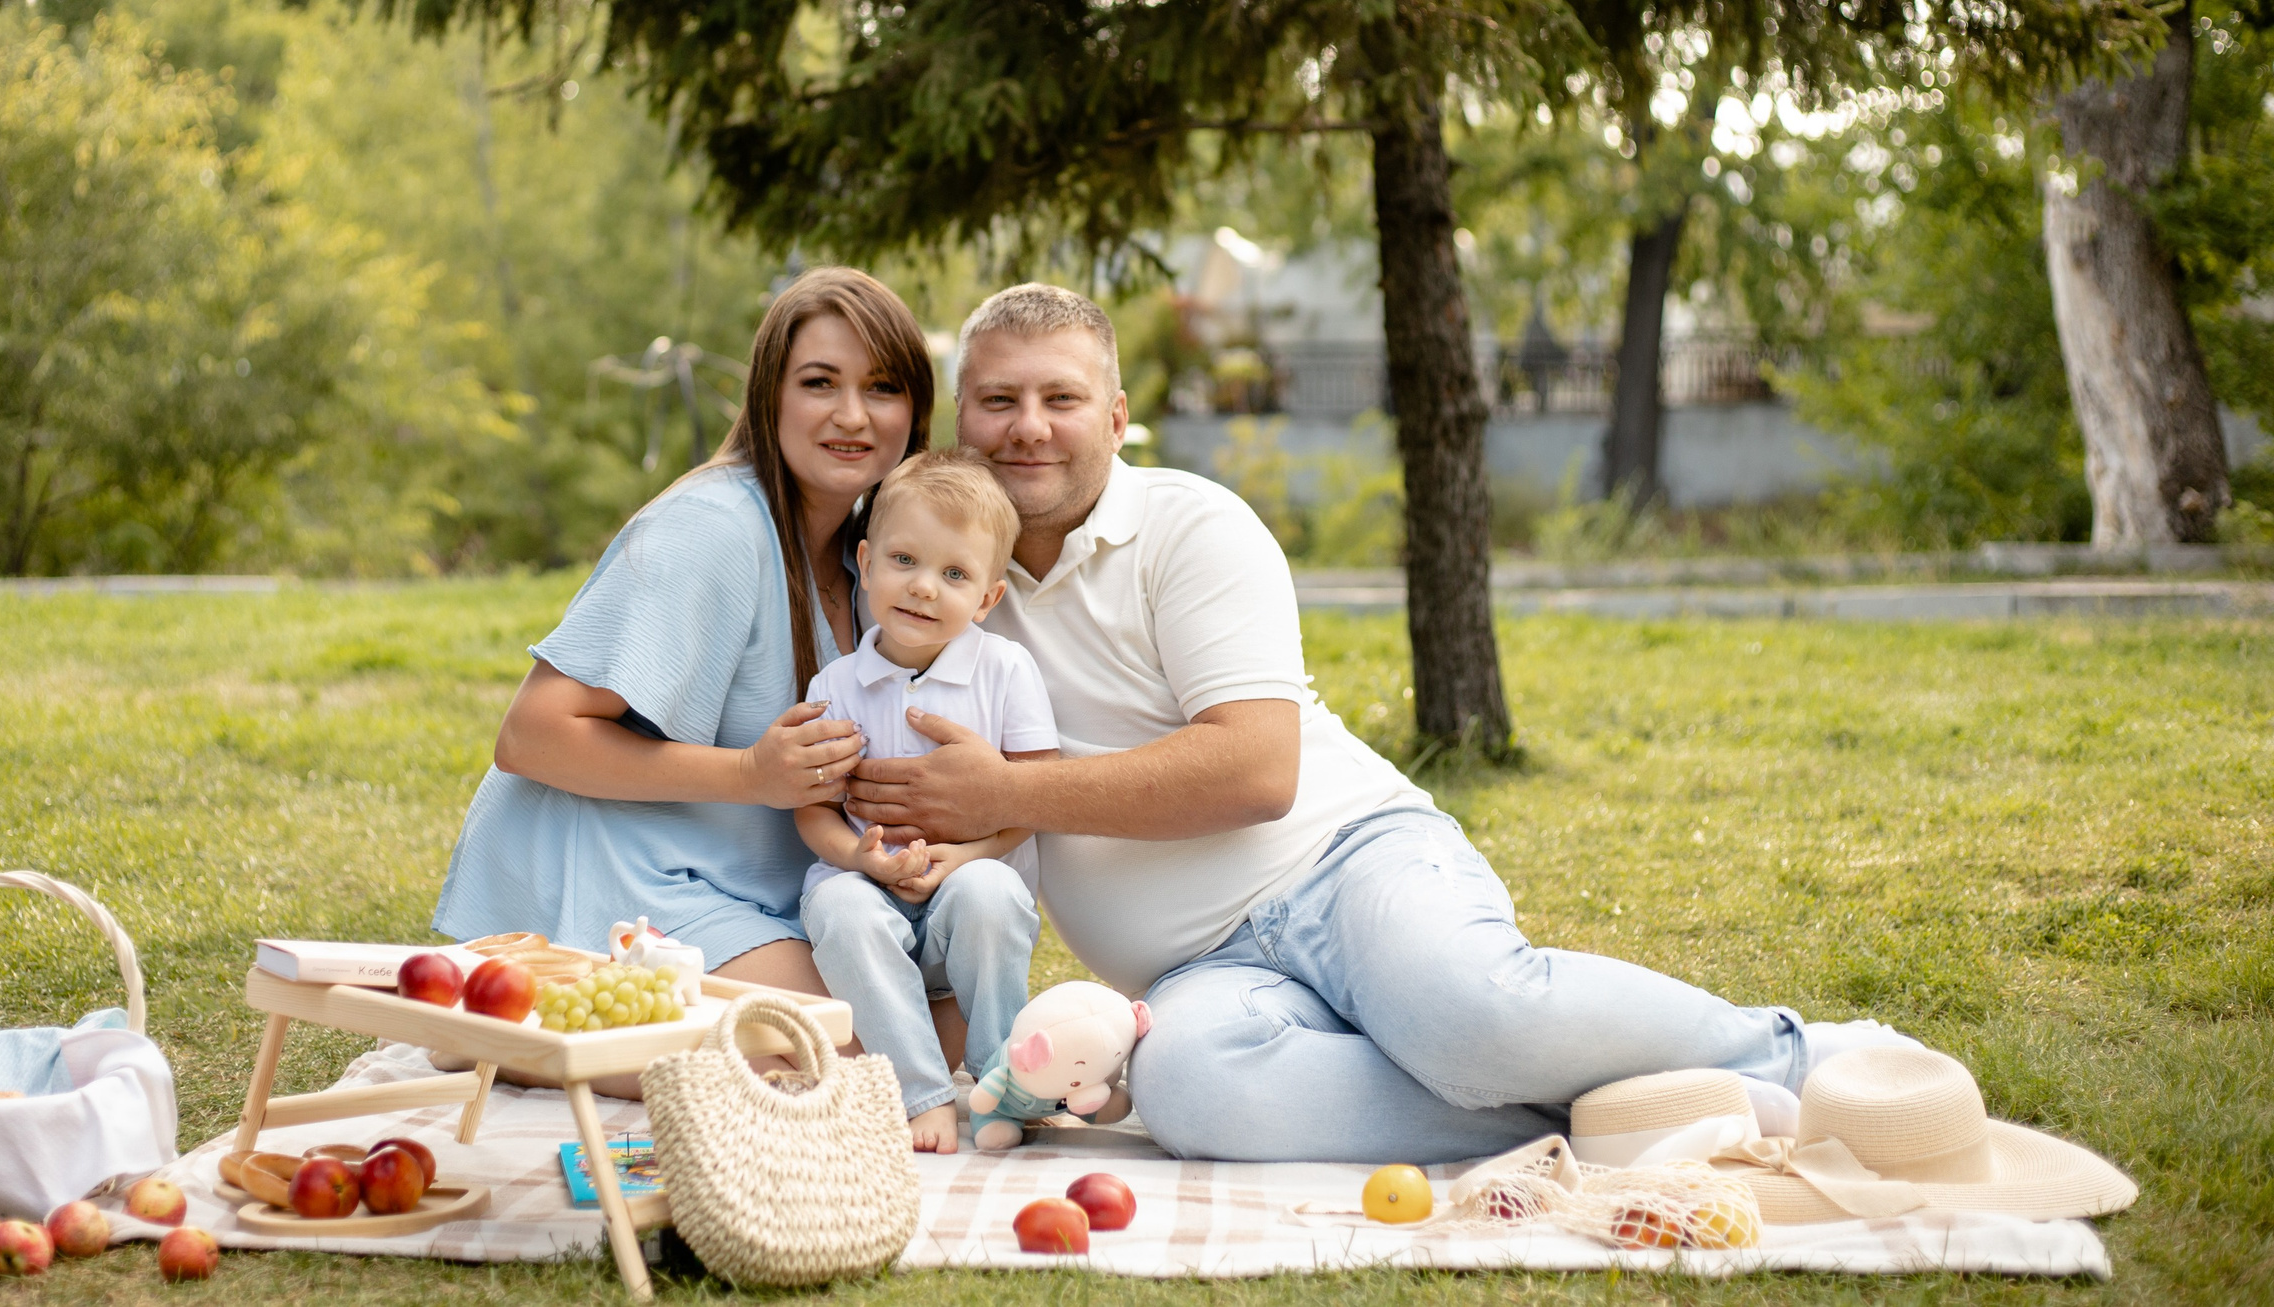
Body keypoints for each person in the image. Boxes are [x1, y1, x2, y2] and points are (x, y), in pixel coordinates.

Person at [847, 283, 1884, 1163]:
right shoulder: (942, 582)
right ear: (961, 422)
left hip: (1345, 865)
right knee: (1189, 1089)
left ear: (1115, 418)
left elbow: (1256, 770)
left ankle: (1797, 1054)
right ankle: (1599, 1119)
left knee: (1466, 1014)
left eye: (1060, 398)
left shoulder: (1189, 527)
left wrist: (1008, 792)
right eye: (999, 400)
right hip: (1197, 976)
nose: (1028, 426)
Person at [432, 267, 931, 1002]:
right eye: (820, 382)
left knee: (944, 1015)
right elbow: (530, 736)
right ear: (770, 395)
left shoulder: (875, 566)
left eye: (882, 387)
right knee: (839, 1046)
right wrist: (751, 774)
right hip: (621, 882)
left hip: (750, 892)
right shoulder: (711, 527)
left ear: (915, 410)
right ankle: (509, 1022)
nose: (852, 415)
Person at [794, 448, 1055, 1153]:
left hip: (968, 889)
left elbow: (1035, 796)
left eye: (954, 574)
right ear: (866, 562)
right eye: (904, 560)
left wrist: (965, 855)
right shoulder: (835, 685)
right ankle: (922, 1093)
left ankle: (1006, 1079)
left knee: (991, 894)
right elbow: (811, 809)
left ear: (988, 598)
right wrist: (859, 858)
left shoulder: (1005, 671)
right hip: (869, 890)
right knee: (839, 906)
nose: (923, 587)